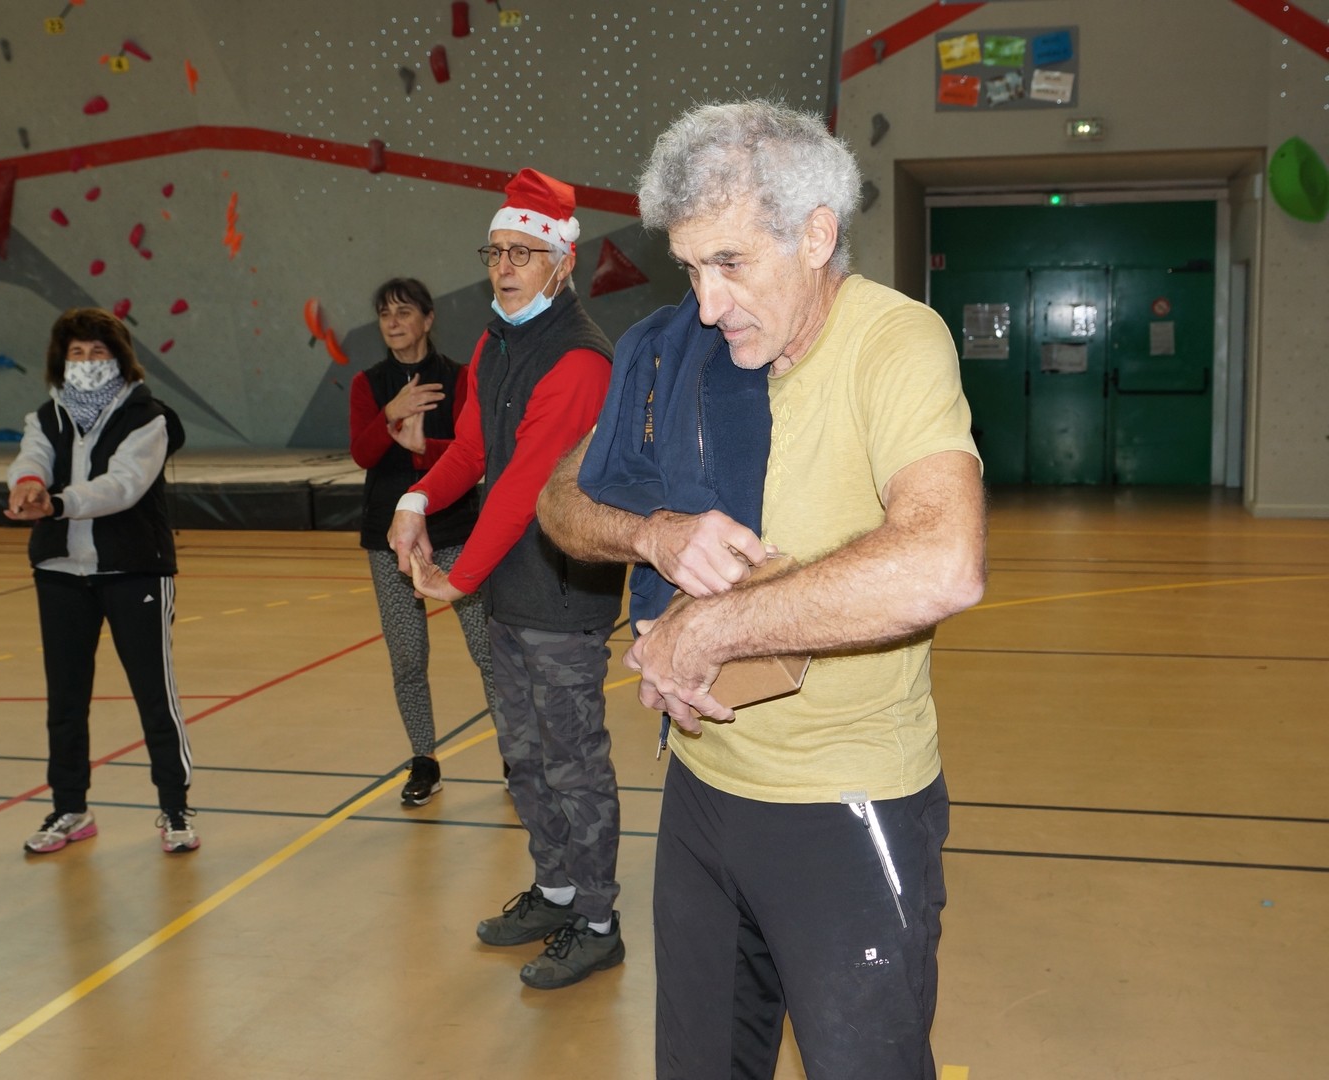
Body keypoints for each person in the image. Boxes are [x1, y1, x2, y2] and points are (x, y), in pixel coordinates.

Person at [536, 100, 987, 1078]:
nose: (705, 301)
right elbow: (560, 501)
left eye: (731, 264)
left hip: (849, 802)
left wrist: (718, 627)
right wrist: (652, 534)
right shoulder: (685, 355)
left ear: (816, 234)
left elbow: (943, 558)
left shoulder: (894, 344)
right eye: (690, 267)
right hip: (705, 798)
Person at [387, 168, 627, 991]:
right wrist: (416, 497)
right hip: (511, 593)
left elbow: (525, 482)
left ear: (562, 261)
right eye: (495, 251)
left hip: (564, 594)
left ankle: (598, 919)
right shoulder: (496, 341)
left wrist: (457, 581)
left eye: (524, 252)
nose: (505, 267)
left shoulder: (580, 362)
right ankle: (556, 891)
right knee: (524, 758)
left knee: (573, 762)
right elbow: (473, 451)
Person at [7, 307, 200, 856]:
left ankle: (174, 806)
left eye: (98, 353)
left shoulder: (148, 417)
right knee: (66, 698)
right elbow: (33, 457)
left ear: (118, 359)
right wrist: (26, 486)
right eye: (76, 353)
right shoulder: (46, 416)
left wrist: (59, 502)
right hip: (61, 574)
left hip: (133, 570)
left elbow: (124, 485)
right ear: (60, 361)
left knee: (153, 694)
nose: (87, 362)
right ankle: (70, 807)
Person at [349, 277, 497, 807]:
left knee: (487, 650)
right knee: (408, 658)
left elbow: (469, 454)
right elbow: (364, 455)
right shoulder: (369, 384)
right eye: (384, 313)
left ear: (428, 319)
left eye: (404, 312)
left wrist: (420, 450)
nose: (393, 322)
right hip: (390, 542)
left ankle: (513, 755)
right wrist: (389, 413)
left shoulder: (458, 377)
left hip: (455, 532)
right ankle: (424, 759)